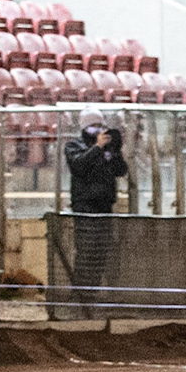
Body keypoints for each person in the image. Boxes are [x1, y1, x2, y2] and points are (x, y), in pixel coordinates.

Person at [65, 108, 128, 316]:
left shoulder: (106, 148)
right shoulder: (74, 145)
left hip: (104, 205)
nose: (98, 129)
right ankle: (81, 296)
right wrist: (98, 148)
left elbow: (120, 170)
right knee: (86, 251)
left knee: (101, 252)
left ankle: (93, 294)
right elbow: (78, 166)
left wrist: (115, 150)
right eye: (94, 125)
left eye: (101, 125)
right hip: (85, 205)